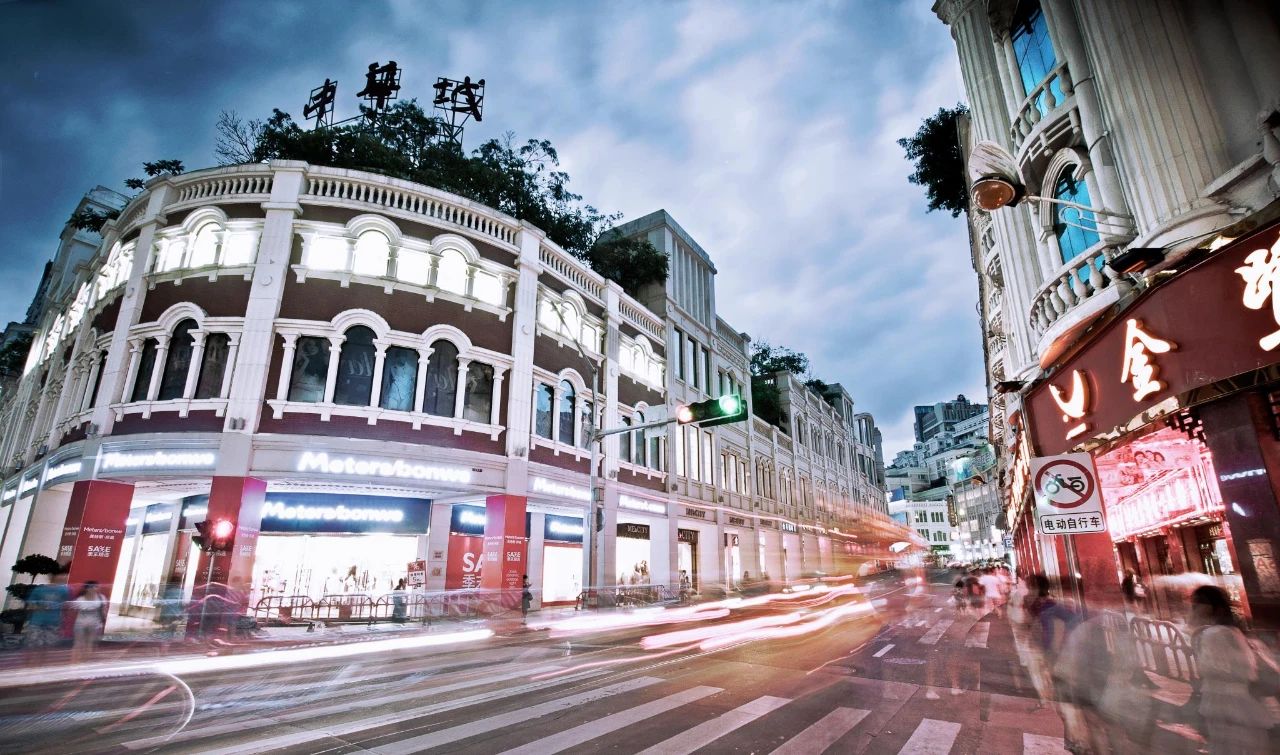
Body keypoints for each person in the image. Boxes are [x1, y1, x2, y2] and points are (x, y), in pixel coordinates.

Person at [1188, 585, 1277, 754]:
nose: (1194, 608)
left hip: (1226, 703)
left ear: (1212, 607)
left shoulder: (1214, 634)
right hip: (1237, 702)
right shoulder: (1232, 631)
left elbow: (1214, 669)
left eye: (1198, 603)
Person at [23, 571, 69, 665]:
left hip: (53, 623)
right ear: (53, 576)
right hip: (37, 623)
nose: (64, 577)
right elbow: (30, 604)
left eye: (65, 575)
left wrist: (63, 620)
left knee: (47, 647)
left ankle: (40, 664)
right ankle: (30, 664)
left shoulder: (64, 590)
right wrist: (40, 607)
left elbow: (66, 605)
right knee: (33, 646)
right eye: (61, 575)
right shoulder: (39, 589)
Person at [67, 581, 107, 663]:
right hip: (80, 624)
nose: (95, 589)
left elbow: (104, 611)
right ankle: (74, 661)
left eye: (96, 587)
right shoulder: (80, 600)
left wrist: (102, 620)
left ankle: (84, 661)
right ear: (87, 589)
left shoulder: (101, 598)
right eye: (93, 587)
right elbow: (72, 611)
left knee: (89, 643)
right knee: (78, 643)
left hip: (94, 624)